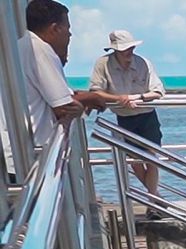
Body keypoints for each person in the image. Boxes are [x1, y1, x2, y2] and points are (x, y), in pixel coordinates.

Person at [5, 0, 121, 174]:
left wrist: (79, 99)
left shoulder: (23, 46)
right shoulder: (40, 49)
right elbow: (64, 107)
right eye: (67, 28)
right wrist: (94, 98)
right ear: (54, 28)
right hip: (27, 156)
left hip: (16, 152)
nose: (70, 34)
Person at [89, 30, 164, 196]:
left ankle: (153, 202)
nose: (129, 52)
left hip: (147, 115)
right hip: (124, 117)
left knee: (151, 159)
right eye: (125, 49)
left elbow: (158, 91)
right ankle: (156, 197)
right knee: (135, 162)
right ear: (115, 50)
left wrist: (137, 97)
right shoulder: (102, 64)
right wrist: (119, 99)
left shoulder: (143, 63)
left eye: (131, 48)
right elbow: (95, 91)